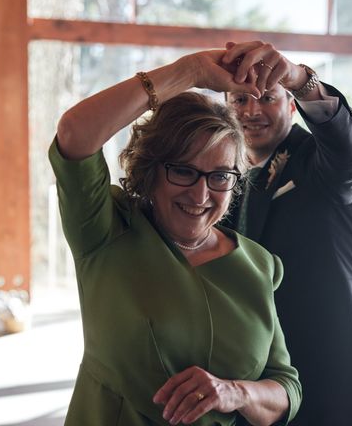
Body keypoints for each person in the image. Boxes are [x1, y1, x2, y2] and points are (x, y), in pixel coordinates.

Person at [49, 48, 302, 426]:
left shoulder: (259, 264)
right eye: (184, 171)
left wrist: (235, 391)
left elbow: (286, 389)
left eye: (219, 176)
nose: (200, 196)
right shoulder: (105, 231)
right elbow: (75, 132)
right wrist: (191, 70)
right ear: (151, 169)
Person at [221, 41, 352, 425]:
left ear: (292, 104)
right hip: (248, 371)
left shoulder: (322, 162)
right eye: (240, 100)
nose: (251, 111)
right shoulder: (220, 177)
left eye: (267, 98)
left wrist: (300, 79)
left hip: (323, 360)